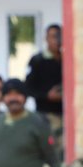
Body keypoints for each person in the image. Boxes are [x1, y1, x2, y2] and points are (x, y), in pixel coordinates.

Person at [25, 23, 63, 153]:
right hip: (45, 114)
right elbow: (28, 88)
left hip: (64, 114)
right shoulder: (37, 60)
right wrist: (47, 96)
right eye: (53, 37)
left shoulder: (67, 60)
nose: (57, 40)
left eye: (59, 37)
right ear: (46, 38)